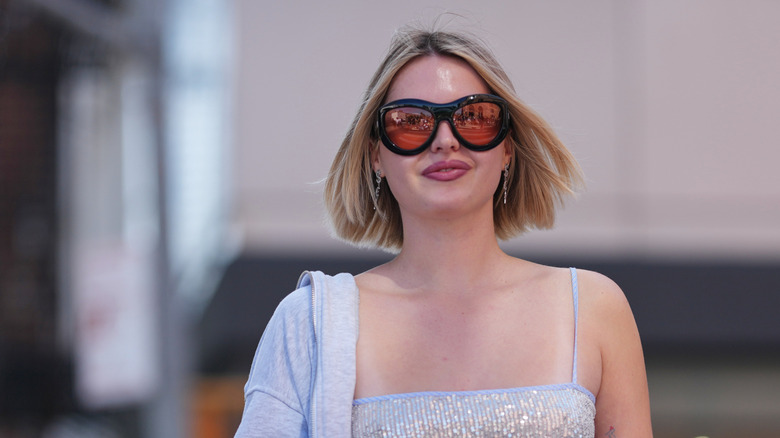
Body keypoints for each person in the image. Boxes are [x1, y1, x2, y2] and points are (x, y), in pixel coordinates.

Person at [235, 24, 652, 438]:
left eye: (474, 117)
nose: (445, 139)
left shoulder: (594, 309)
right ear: (375, 155)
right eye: (410, 122)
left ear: (507, 147)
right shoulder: (308, 324)